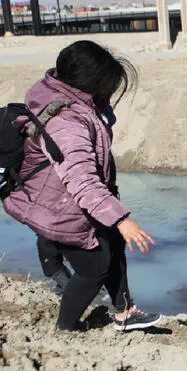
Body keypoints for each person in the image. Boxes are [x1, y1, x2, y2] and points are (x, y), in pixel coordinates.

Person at [3, 40, 160, 331]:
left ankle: (124, 312)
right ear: (89, 83)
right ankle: (66, 327)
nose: (111, 91)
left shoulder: (62, 93)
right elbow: (82, 180)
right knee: (95, 267)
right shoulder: (67, 121)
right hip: (59, 207)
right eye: (107, 84)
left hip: (60, 197)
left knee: (112, 242)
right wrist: (122, 219)